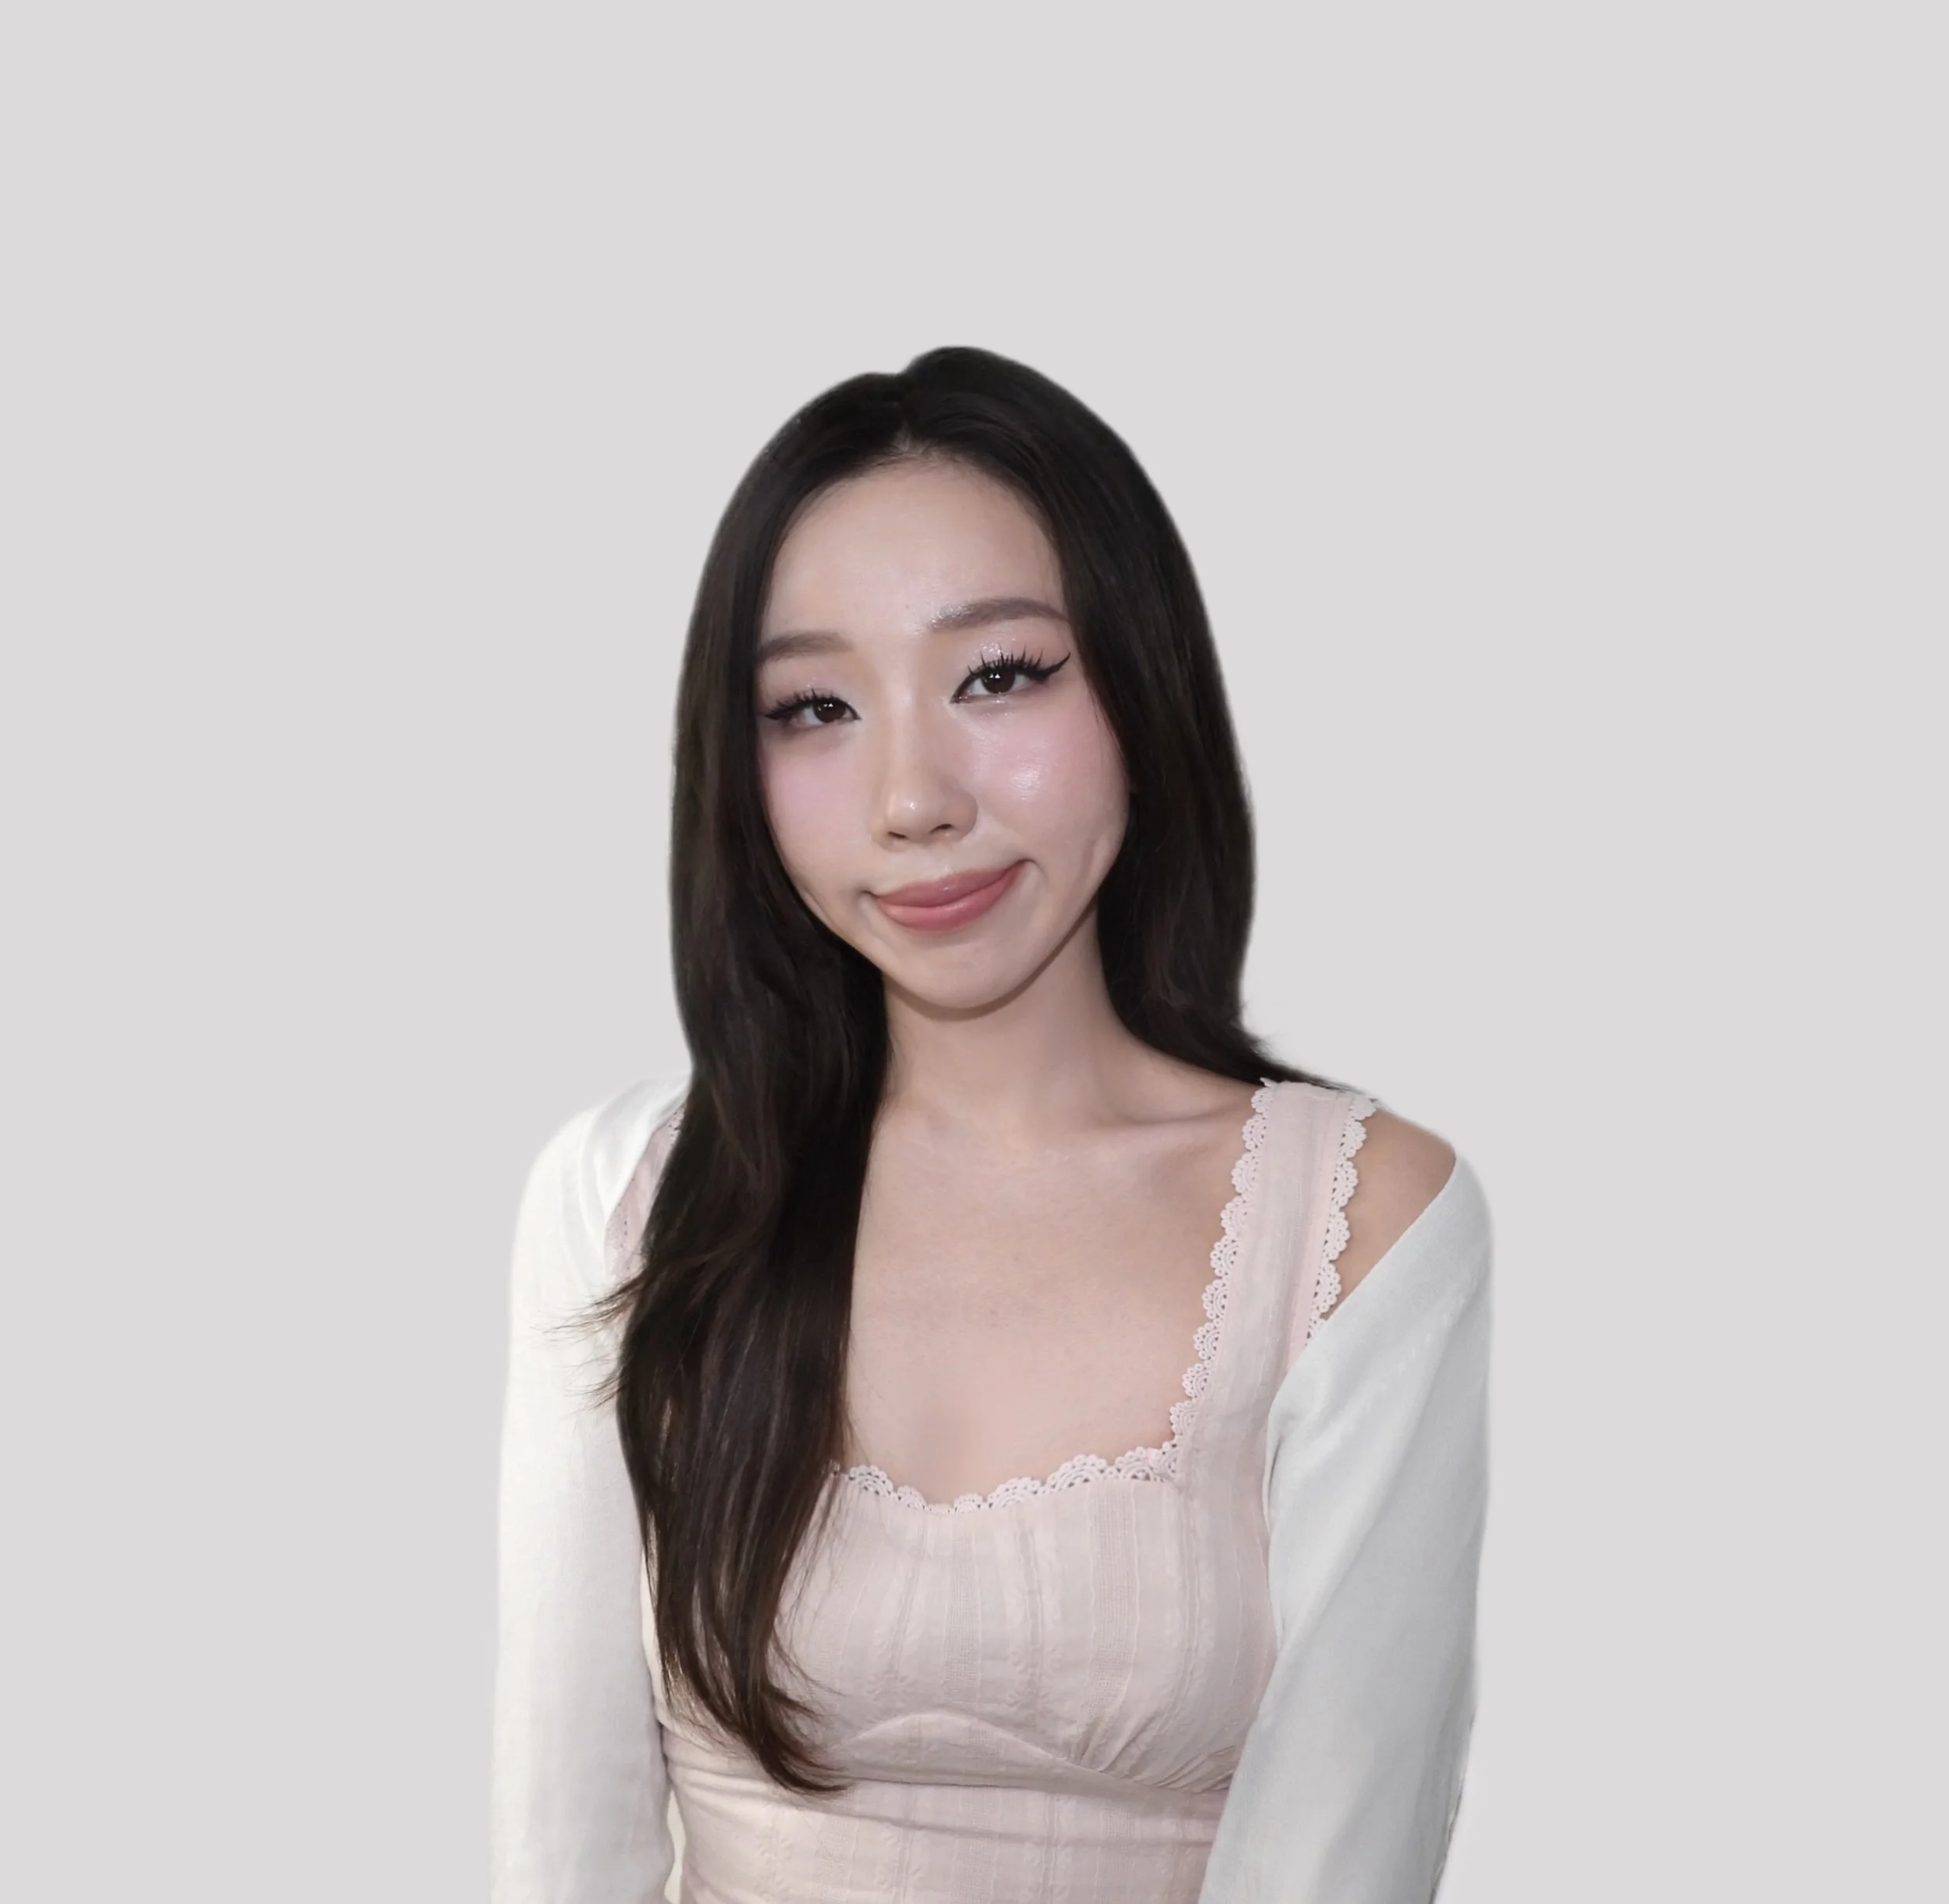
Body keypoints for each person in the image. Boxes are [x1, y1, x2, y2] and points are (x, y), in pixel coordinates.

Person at [491, 346, 1492, 1903]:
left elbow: (1339, 1853)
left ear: (1142, 687)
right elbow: (566, 1845)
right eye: (815, 706)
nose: (913, 798)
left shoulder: (1355, 1224)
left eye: (1000, 675)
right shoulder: (630, 1198)